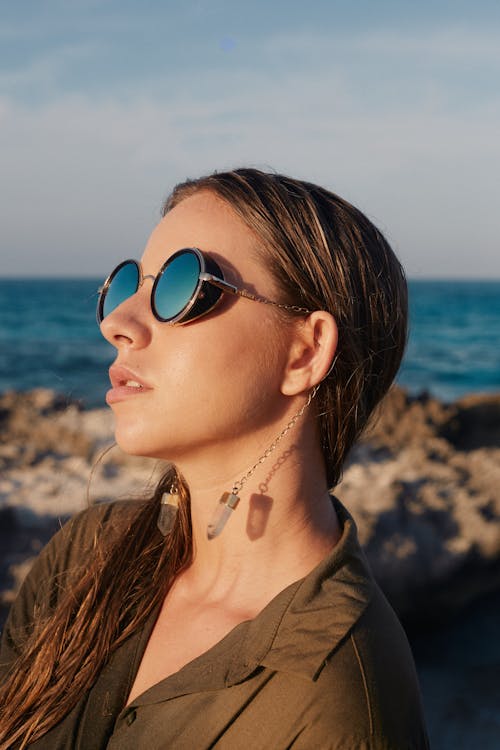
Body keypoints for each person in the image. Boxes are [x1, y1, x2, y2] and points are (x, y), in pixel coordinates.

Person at [0, 168, 429, 749]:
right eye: (131, 284)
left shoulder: (338, 701)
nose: (116, 323)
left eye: (180, 285)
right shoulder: (88, 554)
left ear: (305, 352)